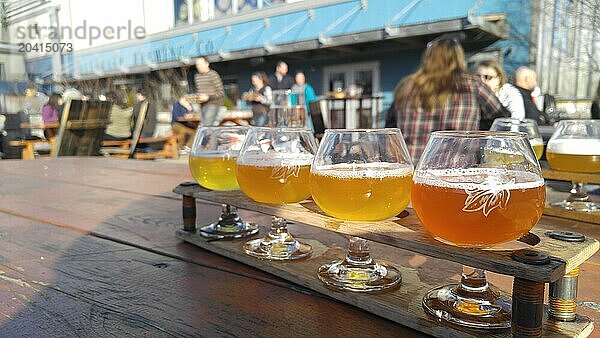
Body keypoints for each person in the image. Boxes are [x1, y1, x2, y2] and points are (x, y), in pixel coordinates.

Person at [393, 36, 508, 161]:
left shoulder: (406, 86)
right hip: (458, 170)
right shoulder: (472, 86)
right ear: (459, 58)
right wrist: (479, 133)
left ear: (427, 58)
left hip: (412, 169)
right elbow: (502, 120)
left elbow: (392, 130)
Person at [193, 56, 224, 126]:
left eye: (200, 64)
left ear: (207, 64)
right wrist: (196, 98)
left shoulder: (213, 75)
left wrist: (208, 97)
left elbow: (221, 92)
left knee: (206, 125)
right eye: (197, 64)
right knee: (204, 126)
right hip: (202, 106)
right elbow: (199, 91)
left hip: (213, 104)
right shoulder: (197, 77)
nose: (198, 66)